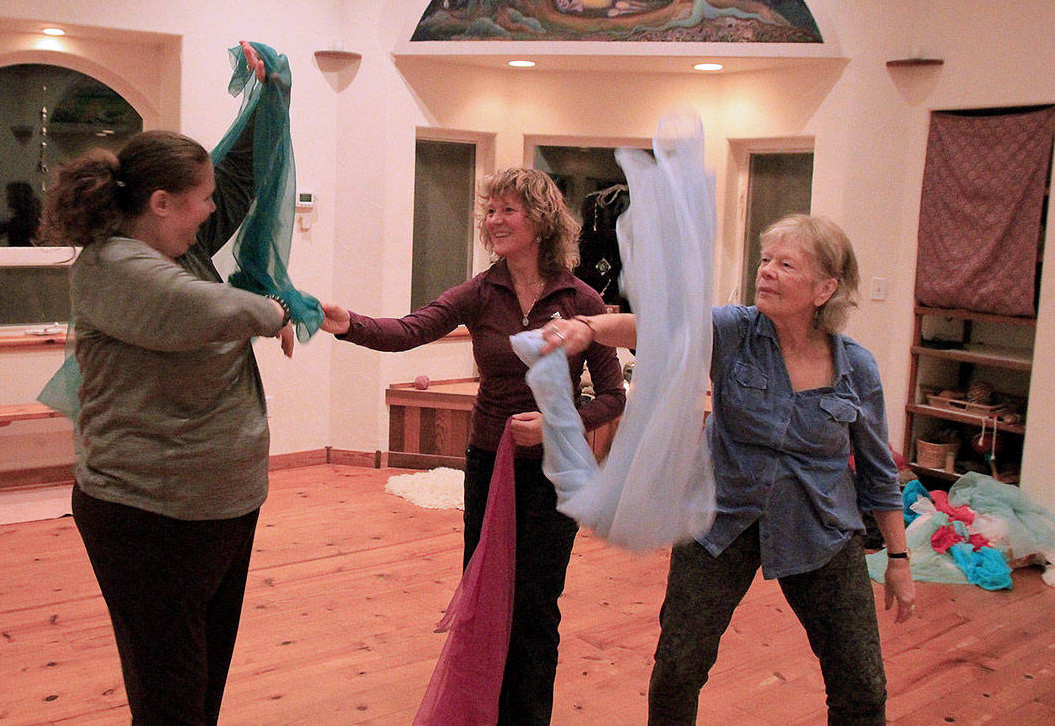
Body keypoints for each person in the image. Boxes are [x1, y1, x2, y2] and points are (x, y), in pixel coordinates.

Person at [539, 213, 914, 726]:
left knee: (862, 689)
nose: (767, 272)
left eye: (786, 264)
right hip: (720, 518)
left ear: (825, 288)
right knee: (677, 671)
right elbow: (662, 327)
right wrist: (587, 327)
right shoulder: (734, 330)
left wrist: (899, 558)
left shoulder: (858, 367)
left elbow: (877, 472)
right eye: (765, 260)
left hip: (820, 529)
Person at [36, 44, 295, 726]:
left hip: (220, 507)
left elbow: (235, 180)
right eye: (198, 203)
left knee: (196, 688)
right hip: (148, 517)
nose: (212, 213)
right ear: (159, 202)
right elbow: (199, 312)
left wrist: (270, 98)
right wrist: (274, 309)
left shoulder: (174, 246)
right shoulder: (113, 266)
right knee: (171, 697)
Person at [320, 167, 626, 725]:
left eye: (508, 209)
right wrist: (348, 324)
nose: (494, 219)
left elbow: (612, 394)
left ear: (539, 219)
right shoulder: (481, 293)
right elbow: (408, 330)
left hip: (559, 471)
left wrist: (562, 425)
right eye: (490, 210)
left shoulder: (582, 299)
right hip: (490, 464)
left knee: (536, 606)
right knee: (486, 597)